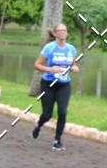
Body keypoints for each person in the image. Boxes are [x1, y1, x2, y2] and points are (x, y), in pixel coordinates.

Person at [32, 23, 79, 151]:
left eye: (65, 30)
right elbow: (37, 65)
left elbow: (73, 65)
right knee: (47, 114)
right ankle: (39, 125)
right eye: (60, 31)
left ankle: (57, 141)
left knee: (62, 112)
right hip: (48, 84)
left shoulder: (71, 49)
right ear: (55, 33)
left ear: (67, 33)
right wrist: (50, 69)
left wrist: (75, 68)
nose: (63, 33)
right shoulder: (49, 48)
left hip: (64, 85)